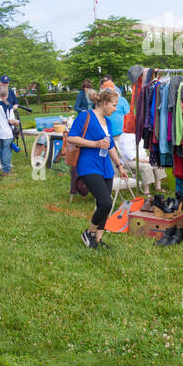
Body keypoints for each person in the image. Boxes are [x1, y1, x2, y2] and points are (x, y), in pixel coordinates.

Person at [67, 89, 127, 249]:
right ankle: (89, 232)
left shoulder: (108, 122)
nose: (115, 109)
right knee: (105, 202)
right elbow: (71, 137)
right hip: (88, 165)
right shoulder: (85, 116)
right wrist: (94, 144)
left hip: (105, 166)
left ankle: (98, 239)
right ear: (105, 103)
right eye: (114, 105)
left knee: (104, 205)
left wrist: (120, 166)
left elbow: (111, 146)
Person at [115, 129, 165, 195]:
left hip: (142, 158)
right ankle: (146, 191)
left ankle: (158, 187)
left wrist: (148, 158)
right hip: (129, 161)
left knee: (157, 162)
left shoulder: (139, 134)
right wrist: (144, 160)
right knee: (146, 167)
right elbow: (129, 155)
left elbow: (143, 149)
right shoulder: (126, 136)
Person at [0, 94, 18, 175]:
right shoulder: (8, 106)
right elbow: (11, 121)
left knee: (1, 150)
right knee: (7, 152)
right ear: (6, 96)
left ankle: (2, 167)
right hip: (6, 132)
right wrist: (17, 122)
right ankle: (6, 171)